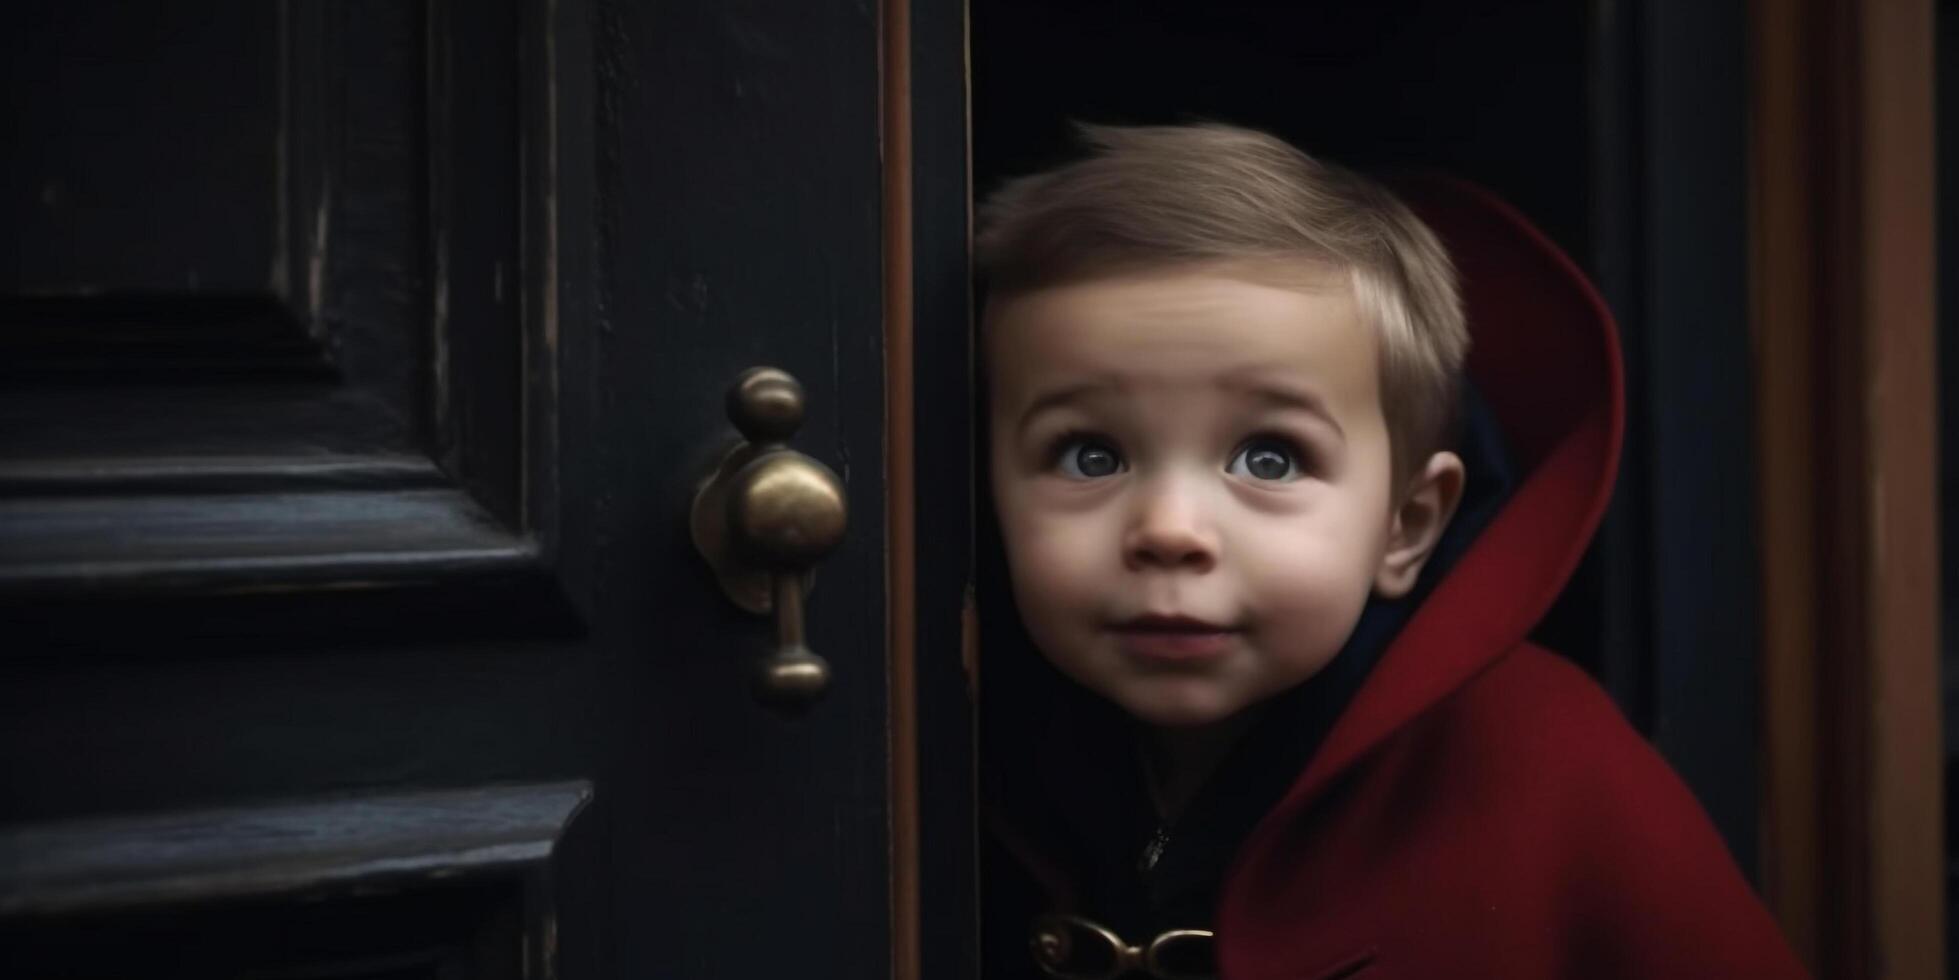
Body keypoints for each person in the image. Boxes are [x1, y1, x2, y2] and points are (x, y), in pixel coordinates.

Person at [976, 123, 1806, 979]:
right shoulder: (936, 757)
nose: (1169, 530)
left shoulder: (1545, 759)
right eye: (1090, 456)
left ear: (1405, 525)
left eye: (1269, 458)